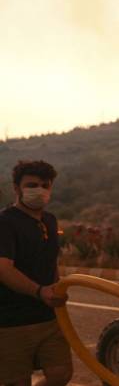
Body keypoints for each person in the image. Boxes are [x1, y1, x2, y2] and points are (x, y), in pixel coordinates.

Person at [0, 160, 72, 386]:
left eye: (45, 185)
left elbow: (50, 261)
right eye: (32, 185)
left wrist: (56, 289)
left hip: (49, 318)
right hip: (12, 321)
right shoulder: (5, 222)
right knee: (17, 381)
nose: (39, 190)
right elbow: (3, 268)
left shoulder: (50, 220)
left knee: (61, 374)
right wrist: (40, 291)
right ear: (17, 188)